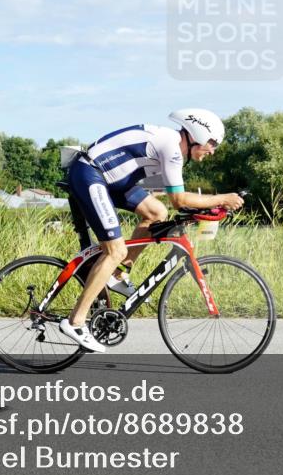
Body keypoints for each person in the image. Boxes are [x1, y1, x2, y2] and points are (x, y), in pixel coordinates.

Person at [59, 109, 244, 352]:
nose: (213, 150)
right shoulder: (172, 147)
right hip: (90, 175)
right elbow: (178, 200)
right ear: (197, 134)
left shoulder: (173, 148)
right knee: (114, 251)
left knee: (157, 213)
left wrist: (208, 206)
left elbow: (167, 195)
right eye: (212, 143)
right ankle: (76, 321)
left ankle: (119, 273)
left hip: (113, 180)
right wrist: (221, 199)